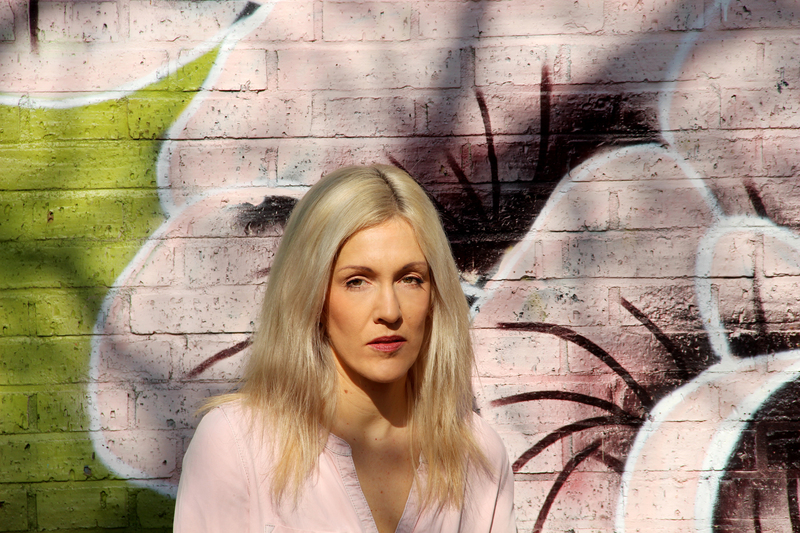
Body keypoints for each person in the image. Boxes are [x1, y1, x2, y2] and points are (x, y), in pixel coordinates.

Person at [173, 165, 516, 532]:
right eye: (357, 281)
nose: (389, 311)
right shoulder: (236, 444)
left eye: (410, 279)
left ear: (434, 295)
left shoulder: (478, 454)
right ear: (312, 296)